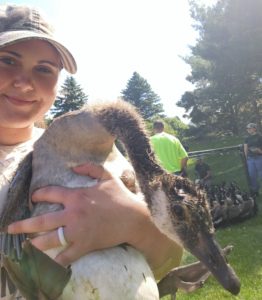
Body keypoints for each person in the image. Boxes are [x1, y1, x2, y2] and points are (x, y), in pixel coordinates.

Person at [0, 4, 183, 298]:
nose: (24, 82)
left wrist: (133, 221)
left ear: (58, 83)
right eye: (8, 60)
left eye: (44, 69)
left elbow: (170, 256)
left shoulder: (85, 151)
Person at [244, 123, 262, 197]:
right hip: (250, 159)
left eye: (250, 128)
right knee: (252, 176)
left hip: (259, 158)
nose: (248, 130)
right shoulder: (247, 138)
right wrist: (246, 158)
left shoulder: (260, 136)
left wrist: (259, 151)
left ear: (254, 128)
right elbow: (245, 148)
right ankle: (255, 191)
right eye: (247, 128)